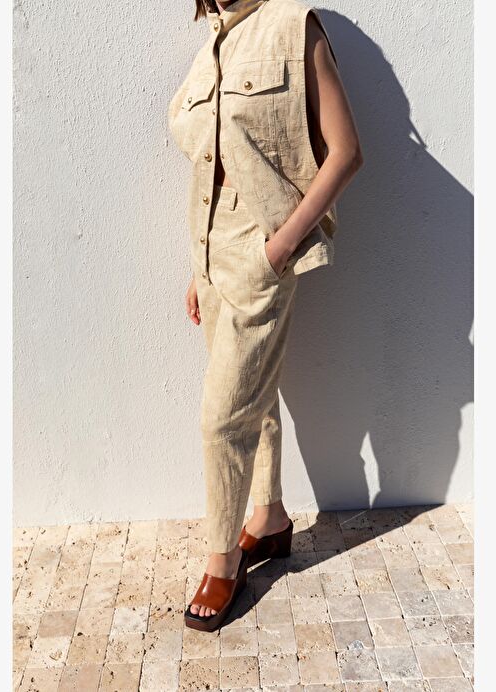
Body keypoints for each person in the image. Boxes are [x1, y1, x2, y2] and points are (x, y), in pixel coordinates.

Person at [167, 0, 363, 632]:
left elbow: (346, 152)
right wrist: (199, 268)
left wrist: (280, 246)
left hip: (260, 246)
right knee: (255, 395)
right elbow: (211, 164)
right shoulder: (211, 47)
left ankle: (222, 563)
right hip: (210, 251)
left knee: (222, 417)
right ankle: (270, 517)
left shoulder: (294, 25)